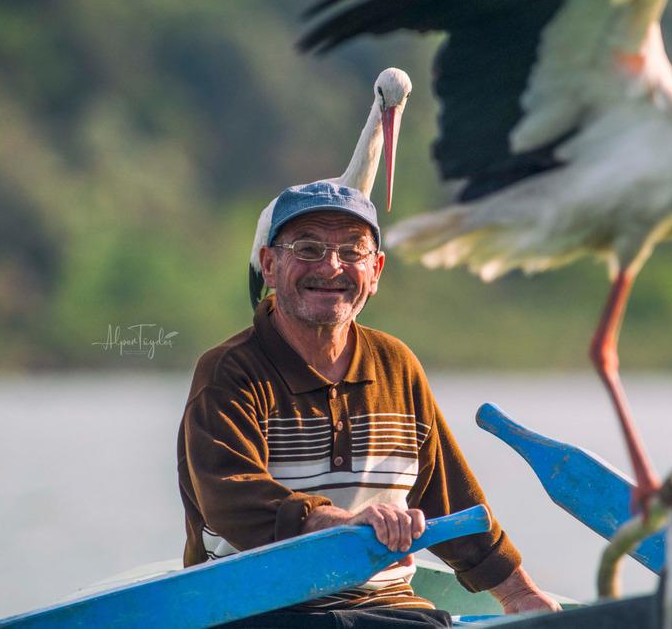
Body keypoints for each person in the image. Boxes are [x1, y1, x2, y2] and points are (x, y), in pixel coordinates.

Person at [177, 183, 559, 628]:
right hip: (253, 611)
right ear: (269, 265)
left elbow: (448, 499)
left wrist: (519, 594)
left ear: (375, 271)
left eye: (351, 252)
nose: (331, 266)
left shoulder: (396, 365)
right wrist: (343, 523)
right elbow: (232, 502)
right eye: (308, 248)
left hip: (387, 610)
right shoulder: (229, 372)